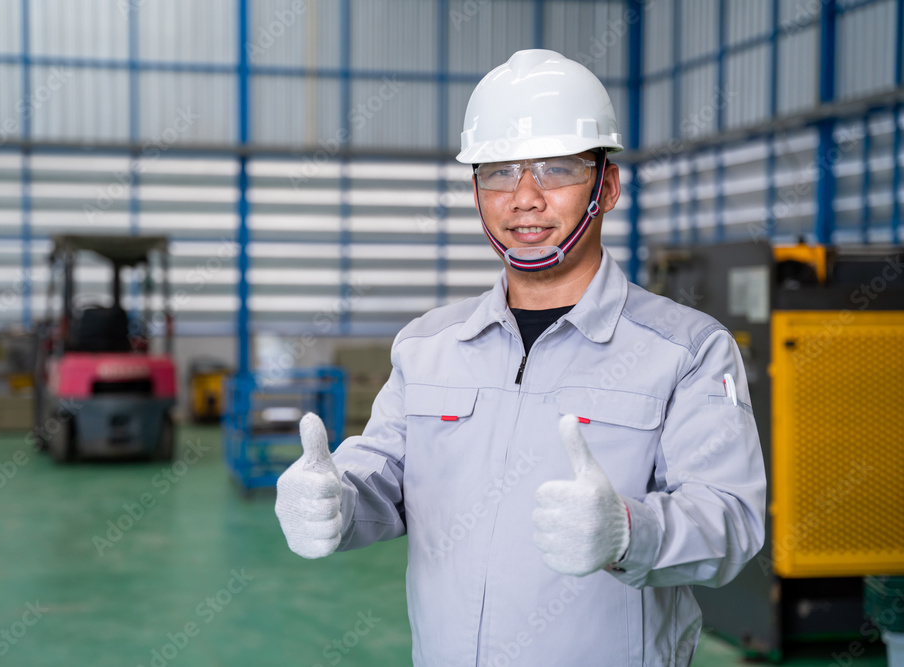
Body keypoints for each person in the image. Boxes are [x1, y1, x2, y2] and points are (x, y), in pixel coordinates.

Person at [275, 49, 766, 666]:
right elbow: (386, 482)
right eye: (500, 172)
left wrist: (626, 531)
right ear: (476, 191)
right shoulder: (428, 346)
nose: (525, 197)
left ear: (606, 186)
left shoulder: (688, 351)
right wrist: (334, 501)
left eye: (556, 170)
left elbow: (732, 522)